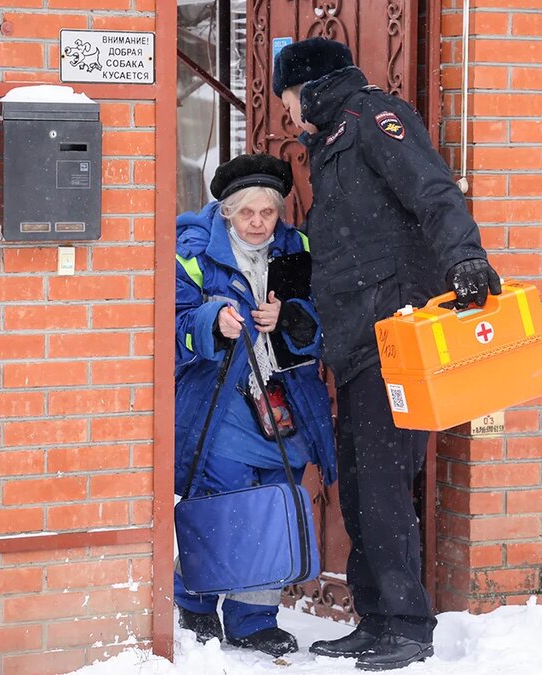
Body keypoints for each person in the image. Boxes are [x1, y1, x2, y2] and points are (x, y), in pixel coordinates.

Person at [272, 37, 503, 670]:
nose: (288, 116)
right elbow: (347, 238)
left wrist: (464, 257)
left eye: (288, 100)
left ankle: (406, 623)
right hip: (355, 337)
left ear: (309, 88)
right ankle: (375, 616)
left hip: (394, 329)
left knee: (382, 485)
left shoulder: (375, 121)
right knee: (359, 484)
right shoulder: (330, 145)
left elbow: (433, 191)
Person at [173, 153, 338, 658]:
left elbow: (325, 318)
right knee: (225, 500)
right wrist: (212, 320)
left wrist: (291, 317)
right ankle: (196, 601)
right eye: (248, 214)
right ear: (226, 212)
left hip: (282, 402)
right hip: (220, 403)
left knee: (273, 501)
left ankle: (252, 618)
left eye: (268, 213)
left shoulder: (296, 249)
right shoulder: (195, 253)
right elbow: (170, 322)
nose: (259, 223)